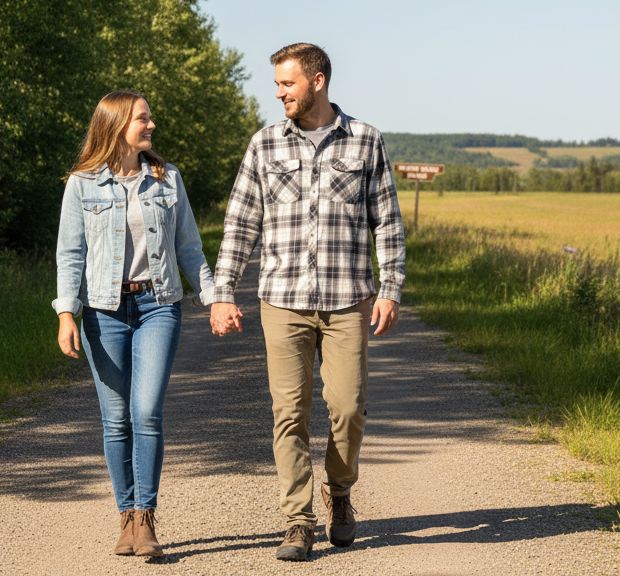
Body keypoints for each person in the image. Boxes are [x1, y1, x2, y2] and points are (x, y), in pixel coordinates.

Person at [210, 43, 405, 561]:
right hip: (283, 299)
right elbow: (241, 222)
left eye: (287, 84)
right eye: (277, 84)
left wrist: (390, 287)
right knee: (289, 413)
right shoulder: (265, 144)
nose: (279, 93)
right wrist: (223, 291)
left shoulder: (366, 141)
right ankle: (298, 520)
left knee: (347, 409)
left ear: (317, 81)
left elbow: (386, 220)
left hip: (346, 299)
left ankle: (339, 492)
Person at [54, 90, 215, 558]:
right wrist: (67, 314)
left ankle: (145, 516)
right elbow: (70, 254)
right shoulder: (82, 184)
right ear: (117, 124)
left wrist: (213, 295)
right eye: (143, 118)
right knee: (115, 419)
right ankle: (125, 515)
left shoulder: (167, 180)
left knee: (145, 412)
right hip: (102, 313)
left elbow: (189, 247)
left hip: (157, 305)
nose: (152, 125)